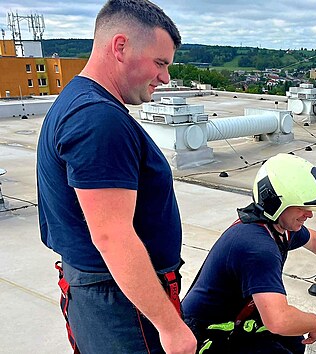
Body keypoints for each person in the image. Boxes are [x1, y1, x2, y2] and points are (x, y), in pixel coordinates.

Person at [36, 1, 196, 353]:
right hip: (120, 306)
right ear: (120, 46)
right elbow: (112, 235)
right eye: (160, 63)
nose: (166, 77)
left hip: (108, 295)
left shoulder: (81, 101)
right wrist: (170, 327)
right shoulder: (98, 120)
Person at [182, 153, 316, 353]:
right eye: (302, 208)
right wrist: (314, 322)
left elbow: (312, 239)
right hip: (207, 332)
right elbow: (278, 320)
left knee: (295, 342)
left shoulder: (278, 227)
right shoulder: (258, 248)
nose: (310, 214)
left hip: (239, 318)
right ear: (276, 203)